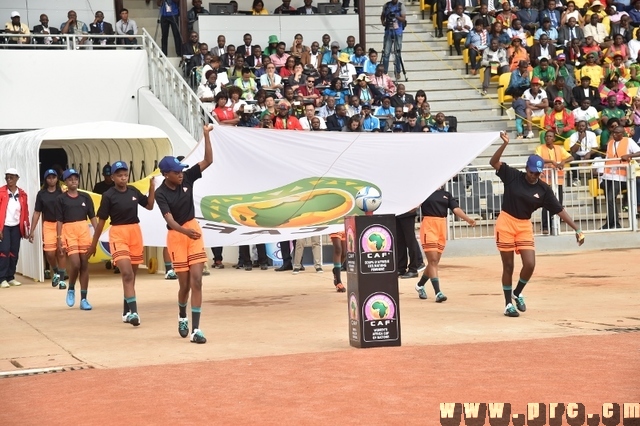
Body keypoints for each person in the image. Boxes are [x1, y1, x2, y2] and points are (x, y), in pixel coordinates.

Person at [489, 132, 585, 317]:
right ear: (526, 168)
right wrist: (504, 145)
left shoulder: (543, 189)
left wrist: (577, 228)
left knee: (530, 264)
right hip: (506, 222)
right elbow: (494, 162)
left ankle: (517, 292)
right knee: (508, 266)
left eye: (538, 173)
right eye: (532, 172)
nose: (534, 175)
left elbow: (559, 210)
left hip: (524, 225)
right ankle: (508, 304)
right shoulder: (512, 176)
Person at [154, 124, 213, 343]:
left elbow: (208, 161)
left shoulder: (187, 178)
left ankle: (196, 330)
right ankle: (182, 316)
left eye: (181, 171)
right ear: (165, 174)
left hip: (192, 231)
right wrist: (184, 231)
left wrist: (206, 136)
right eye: (176, 172)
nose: (180, 174)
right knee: (185, 285)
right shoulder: (161, 194)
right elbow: (168, 219)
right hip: (178, 236)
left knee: (197, 280)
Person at [88, 161, 155, 326]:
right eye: (119, 175)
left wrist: (152, 187)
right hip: (118, 233)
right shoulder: (108, 195)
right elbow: (102, 221)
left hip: (135, 233)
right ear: (112, 177)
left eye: (125, 174)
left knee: (132, 275)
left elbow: (149, 205)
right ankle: (134, 313)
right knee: (126, 273)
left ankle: (126, 311)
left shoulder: (133, 191)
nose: (123, 178)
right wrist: (93, 244)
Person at [414, 187, 476, 301]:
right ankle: (438, 292)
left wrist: (468, 219)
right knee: (432, 261)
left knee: (435, 262)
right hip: (429, 225)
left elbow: (456, 209)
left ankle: (420, 285)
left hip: (441, 225)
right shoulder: (425, 191)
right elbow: (414, 205)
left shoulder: (446, 194)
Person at [56, 169, 97, 309]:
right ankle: (71, 287)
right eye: (70, 179)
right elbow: (59, 220)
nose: (73, 180)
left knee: (84, 264)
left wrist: (96, 238)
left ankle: (84, 299)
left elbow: (92, 217)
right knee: (75, 264)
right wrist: (59, 239)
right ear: (66, 182)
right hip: (69, 231)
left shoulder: (85, 197)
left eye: (75, 178)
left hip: (83, 230)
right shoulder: (61, 199)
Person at [28, 169, 65, 289]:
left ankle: (61, 278)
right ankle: (56, 270)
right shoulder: (41, 194)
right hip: (48, 224)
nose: (51, 180)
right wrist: (32, 230)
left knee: (61, 251)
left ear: (57, 178)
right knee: (49, 253)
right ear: (45, 180)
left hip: (62, 224)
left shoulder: (62, 192)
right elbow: (37, 213)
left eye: (54, 177)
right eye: (49, 178)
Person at [600, 126, 640, 229]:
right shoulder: (610, 143)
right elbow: (607, 158)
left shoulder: (629, 141)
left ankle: (614, 223)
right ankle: (611, 222)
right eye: (613, 132)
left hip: (619, 176)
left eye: (617, 133)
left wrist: (628, 156)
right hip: (607, 175)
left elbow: (639, 152)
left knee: (610, 199)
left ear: (622, 134)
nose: (614, 134)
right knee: (609, 200)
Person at [535, 131, 573, 234]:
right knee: (546, 203)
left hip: (558, 180)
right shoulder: (540, 148)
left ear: (554, 139)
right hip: (545, 181)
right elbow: (537, 159)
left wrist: (563, 161)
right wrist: (551, 161)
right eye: (546, 136)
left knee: (558, 203)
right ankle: (545, 227)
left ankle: (556, 225)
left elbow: (571, 157)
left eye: (550, 136)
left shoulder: (559, 148)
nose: (548, 138)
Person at [0, 168, 29, 289]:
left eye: (11, 177)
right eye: (7, 177)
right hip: (4, 226)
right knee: (4, 251)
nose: (9, 179)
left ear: (17, 178)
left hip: (16, 226)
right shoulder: (1, 192)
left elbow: (25, 212)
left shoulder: (22, 194)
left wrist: (26, 228)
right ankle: (2, 278)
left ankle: (10, 276)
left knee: (14, 252)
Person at [380, 0, 407, 80]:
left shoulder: (401, 6)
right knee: (386, 53)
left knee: (397, 53)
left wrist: (395, 16)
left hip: (398, 31)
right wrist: (383, 22)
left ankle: (398, 72)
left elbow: (403, 19)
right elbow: (382, 15)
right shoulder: (387, 5)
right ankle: (384, 72)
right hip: (388, 31)